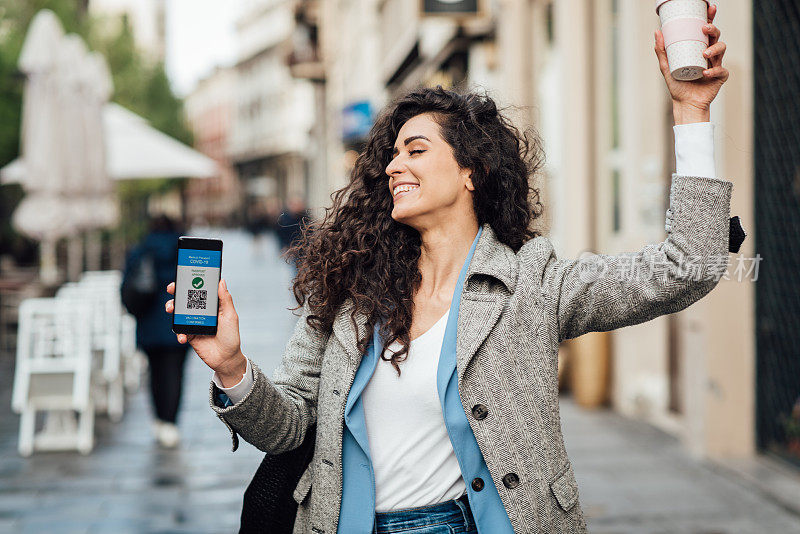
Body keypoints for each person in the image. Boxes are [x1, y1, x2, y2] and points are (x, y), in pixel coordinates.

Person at [166, 6, 731, 532]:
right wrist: (233, 366)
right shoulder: (349, 291)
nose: (393, 166)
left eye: (415, 150)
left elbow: (687, 266)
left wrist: (691, 110)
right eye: (390, 154)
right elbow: (287, 430)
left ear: (471, 173)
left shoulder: (531, 282)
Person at [122, 213, 186, 448]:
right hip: (178, 323)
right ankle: (171, 421)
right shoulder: (184, 253)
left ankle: (159, 419)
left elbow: (126, 288)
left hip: (148, 324)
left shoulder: (140, 251)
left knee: (155, 374)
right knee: (175, 374)